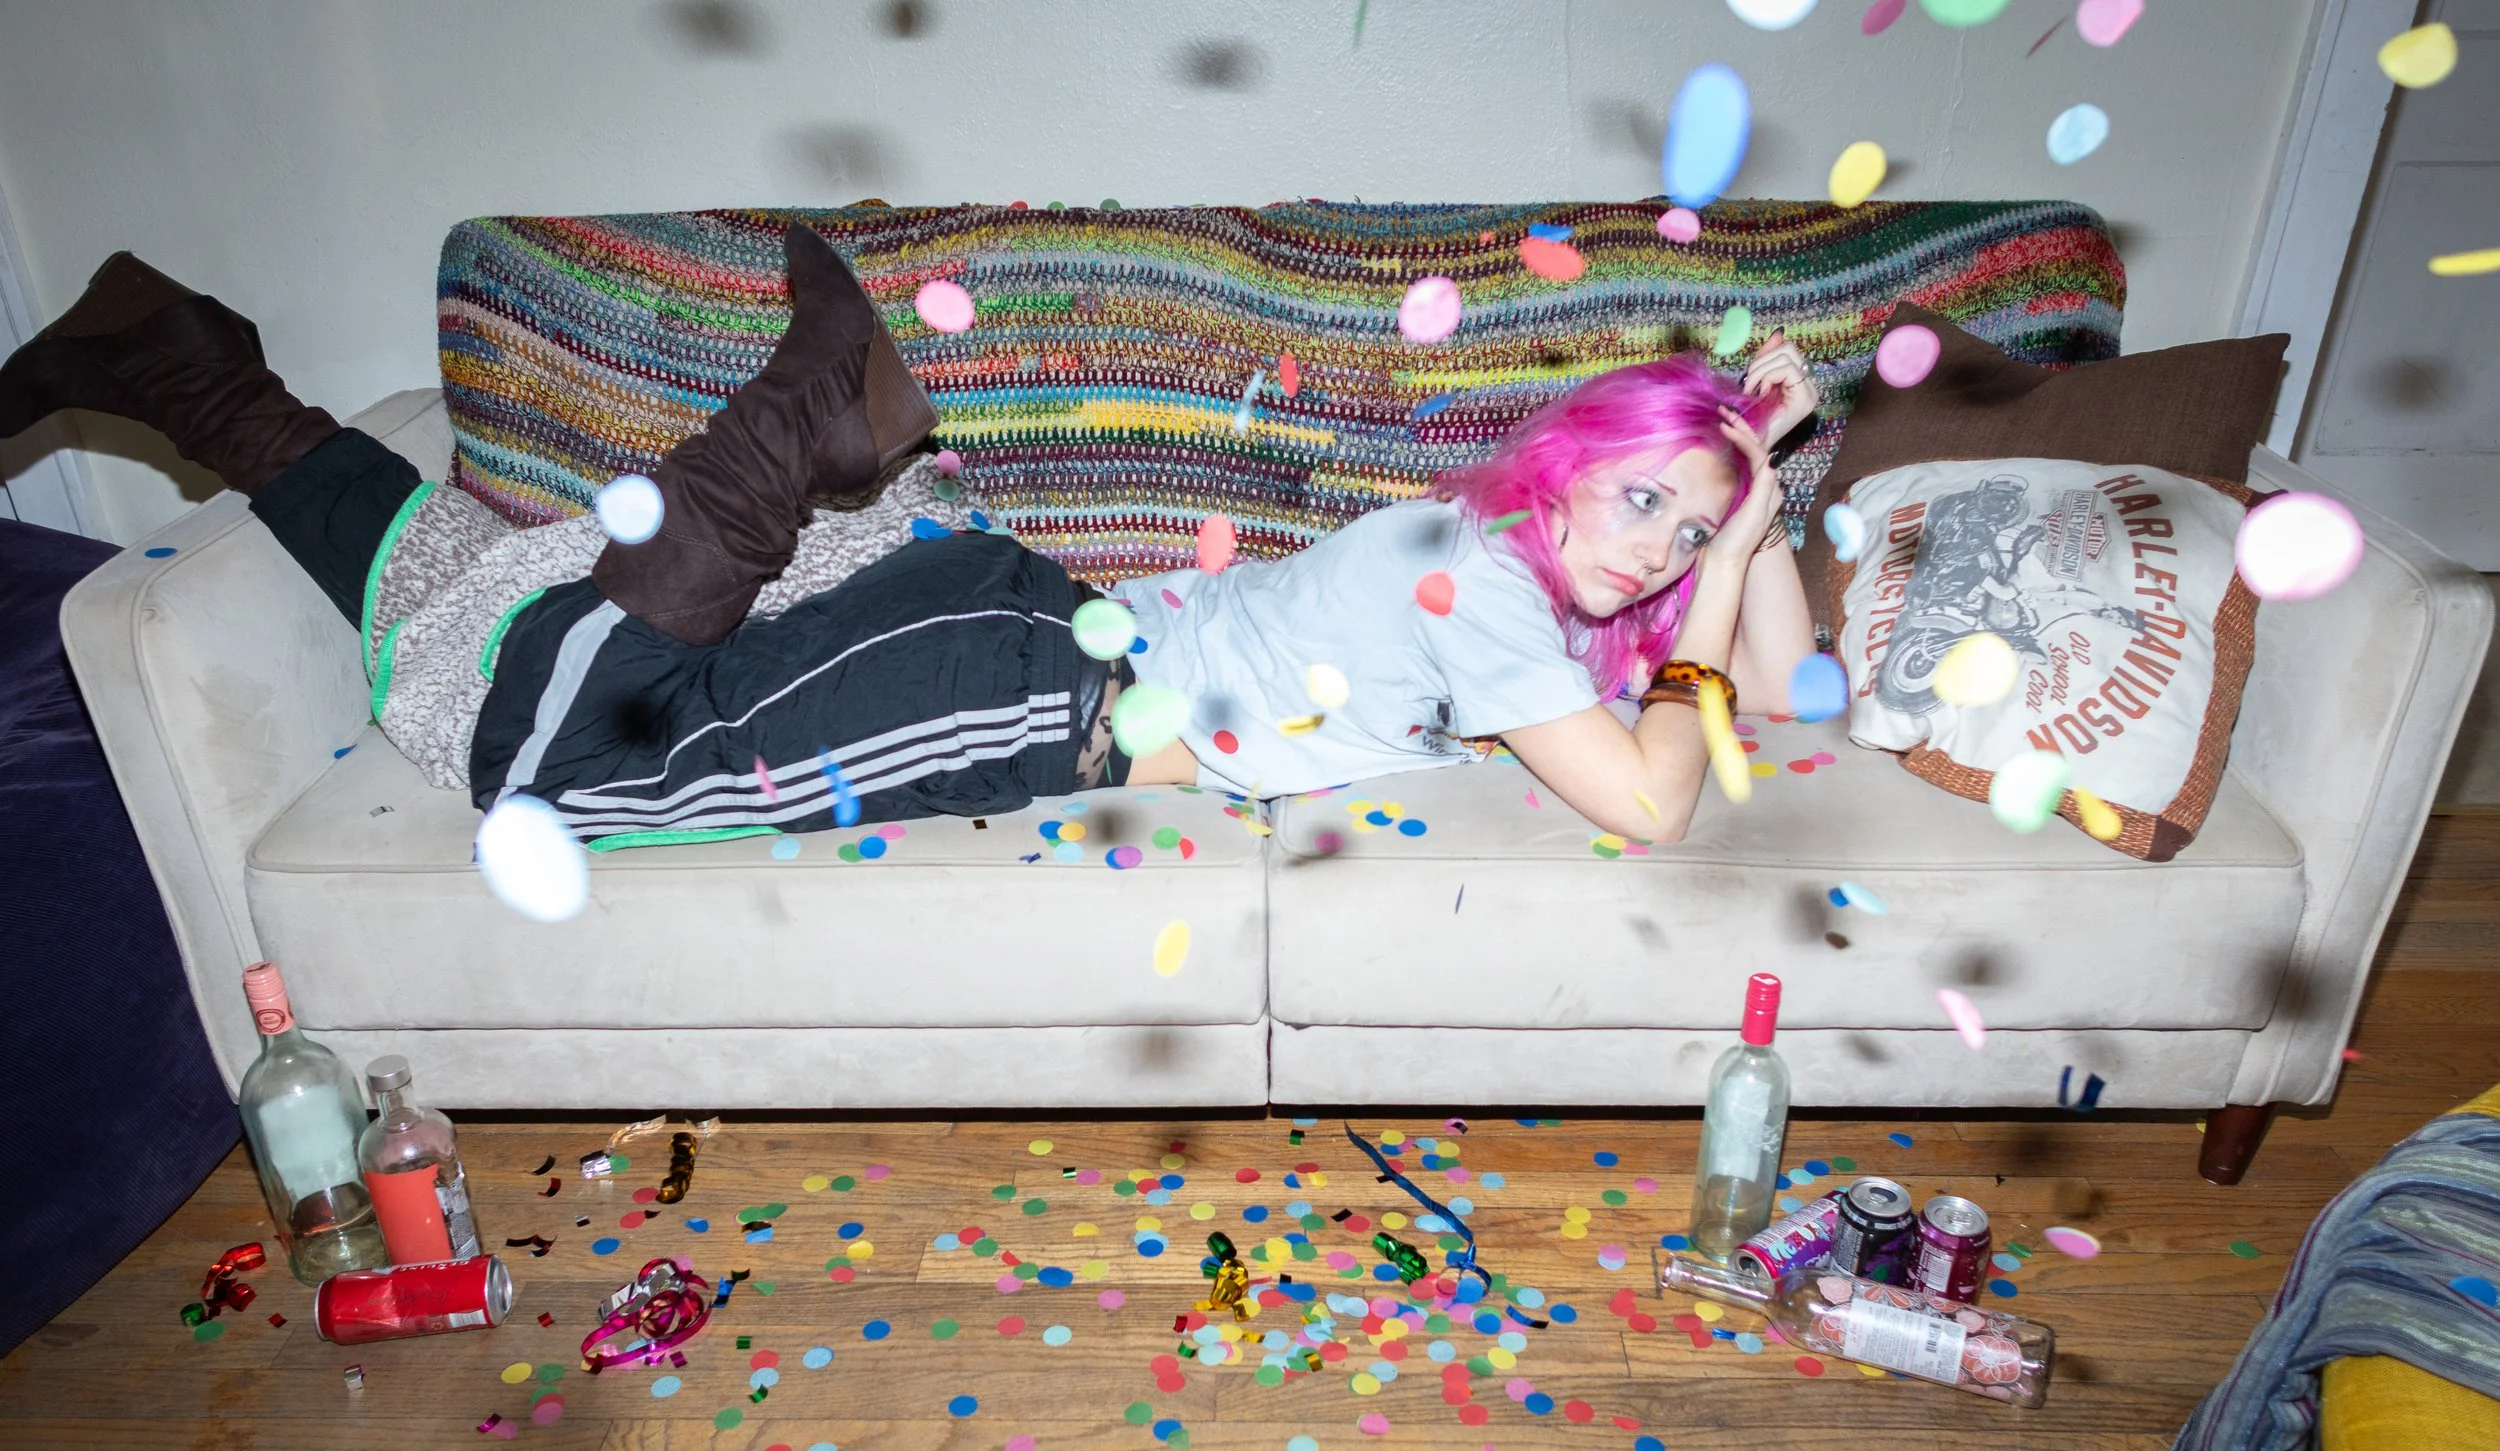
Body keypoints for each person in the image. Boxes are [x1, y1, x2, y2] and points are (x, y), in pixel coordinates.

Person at [2, 223, 1818, 847]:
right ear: (1567, 466)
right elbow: (1659, 802)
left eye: (1686, 535)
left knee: (483, 615)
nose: (1661, 551)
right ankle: (802, 413)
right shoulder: (1487, 578)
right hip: (1030, 688)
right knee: (552, 768)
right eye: (1645, 498)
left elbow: (1794, 687)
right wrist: (1724, 561)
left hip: (1008, 626)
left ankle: (181, 363)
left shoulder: (1516, 577)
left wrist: (1755, 501)